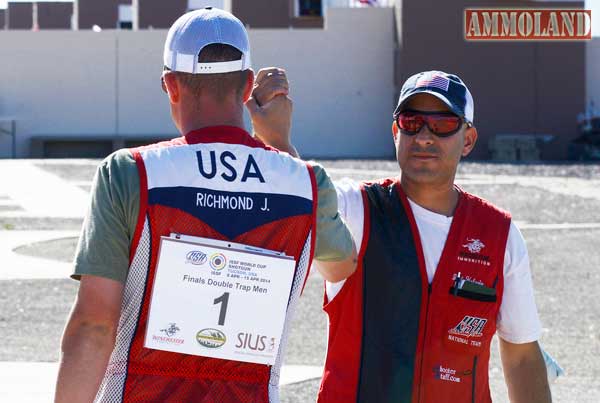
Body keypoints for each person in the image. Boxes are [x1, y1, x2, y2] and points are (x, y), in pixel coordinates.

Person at [54, 8, 356, 403]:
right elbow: (341, 265)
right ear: (248, 87)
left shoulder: (131, 172)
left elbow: (93, 326)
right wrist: (279, 147)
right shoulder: (306, 183)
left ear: (170, 85)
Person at [263, 70, 552, 403]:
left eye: (442, 124)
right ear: (395, 132)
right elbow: (303, 197)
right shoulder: (357, 210)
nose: (424, 136)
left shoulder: (499, 235)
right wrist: (276, 139)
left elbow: (522, 355)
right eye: (412, 122)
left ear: (468, 139)